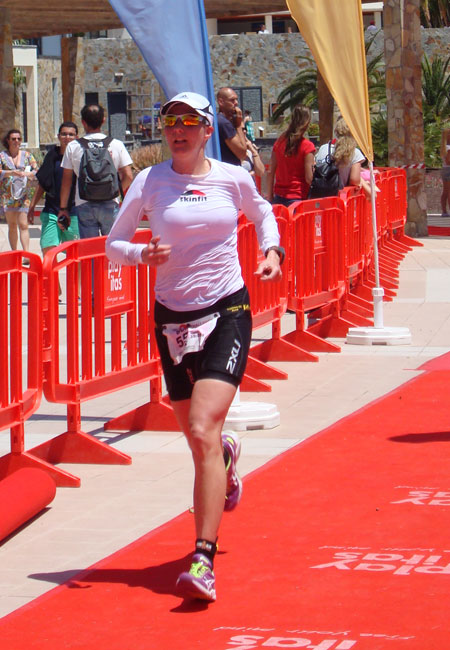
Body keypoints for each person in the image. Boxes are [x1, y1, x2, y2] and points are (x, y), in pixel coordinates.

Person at [105, 91, 283, 603]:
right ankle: (225, 459)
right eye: (169, 122)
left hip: (227, 309)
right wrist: (143, 253)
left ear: (208, 130)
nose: (177, 130)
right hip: (173, 320)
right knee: (199, 441)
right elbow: (115, 243)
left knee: (203, 427)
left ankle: (203, 559)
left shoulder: (232, 178)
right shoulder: (149, 181)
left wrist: (273, 250)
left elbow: (263, 213)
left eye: (188, 122)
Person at [58, 104, 133, 239]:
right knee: (112, 247)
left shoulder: (73, 147)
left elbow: (66, 181)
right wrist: (115, 191)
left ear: (83, 122)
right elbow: (128, 175)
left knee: (90, 249)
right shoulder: (116, 144)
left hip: (84, 202)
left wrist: (63, 209)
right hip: (110, 203)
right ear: (103, 120)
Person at [27, 122, 80, 257]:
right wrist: (32, 206)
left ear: (77, 137)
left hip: (74, 211)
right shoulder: (52, 156)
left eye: (71, 134)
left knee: (76, 254)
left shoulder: (80, 157)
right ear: (58, 136)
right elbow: (43, 183)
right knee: (48, 249)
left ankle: (76, 279)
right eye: (64, 134)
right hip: (52, 211)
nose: (67, 137)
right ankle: (52, 279)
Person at [266, 104, 315, 206]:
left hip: (279, 197)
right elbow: (309, 178)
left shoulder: (279, 142)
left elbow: (271, 171)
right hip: (299, 197)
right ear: (307, 122)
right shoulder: (307, 146)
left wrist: (270, 196)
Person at [0, 129, 38, 256]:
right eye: (13, 139)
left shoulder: (27, 156)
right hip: (8, 195)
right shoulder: (2, 156)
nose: (17, 141)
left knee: (23, 224)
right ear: (8, 140)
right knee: (12, 225)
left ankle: (26, 254)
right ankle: (15, 253)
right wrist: (11, 173)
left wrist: (27, 174)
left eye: (19, 139)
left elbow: (37, 171)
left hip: (23, 194)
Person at [315, 116, 365, 190]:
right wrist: (364, 184)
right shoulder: (355, 153)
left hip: (319, 193)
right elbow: (354, 180)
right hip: (339, 196)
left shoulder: (324, 147)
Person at [216, 87, 247, 166]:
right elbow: (242, 154)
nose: (236, 103)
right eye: (232, 100)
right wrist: (239, 124)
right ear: (221, 102)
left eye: (236, 99)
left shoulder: (218, 120)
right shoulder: (224, 123)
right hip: (229, 171)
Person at [440, 127, 450, 217]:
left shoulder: (444, 147)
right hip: (449, 169)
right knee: (448, 191)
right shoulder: (448, 147)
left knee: (446, 191)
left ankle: (444, 211)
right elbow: (448, 160)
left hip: (445, 169)